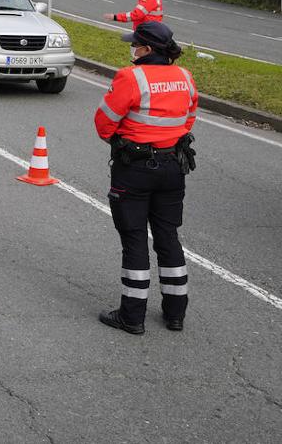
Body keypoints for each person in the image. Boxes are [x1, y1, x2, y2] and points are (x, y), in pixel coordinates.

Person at [93, 21, 198, 335]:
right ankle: (175, 314)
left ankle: (132, 316)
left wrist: (129, 139)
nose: (132, 48)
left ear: (147, 49)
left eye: (135, 44)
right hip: (173, 166)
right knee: (168, 237)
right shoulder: (185, 77)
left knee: (134, 238)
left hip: (135, 169)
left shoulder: (131, 77)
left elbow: (104, 123)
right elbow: (188, 118)